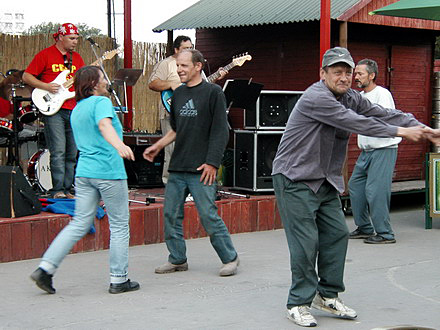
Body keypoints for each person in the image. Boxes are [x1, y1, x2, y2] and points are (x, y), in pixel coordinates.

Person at [271, 47, 437, 327]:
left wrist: (423, 127)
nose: (344, 77)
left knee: (336, 234)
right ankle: (298, 302)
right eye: (337, 71)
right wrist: (401, 132)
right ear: (323, 74)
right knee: (306, 242)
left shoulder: (350, 97)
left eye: (348, 72)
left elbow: (383, 113)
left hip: (324, 180)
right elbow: (355, 122)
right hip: (294, 179)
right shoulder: (317, 97)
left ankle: (327, 296)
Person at [30, 65, 139, 295]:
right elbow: (104, 125)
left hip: (84, 173)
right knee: (119, 225)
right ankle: (119, 279)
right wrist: (119, 145)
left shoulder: (78, 108)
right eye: (102, 78)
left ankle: (45, 268)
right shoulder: (101, 103)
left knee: (79, 223)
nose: (106, 81)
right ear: (93, 84)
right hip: (108, 171)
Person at [143, 49, 239, 277]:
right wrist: (158, 145)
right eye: (178, 65)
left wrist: (212, 163)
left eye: (184, 66)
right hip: (178, 166)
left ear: (198, 66)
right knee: (170, 214)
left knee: (207, 214)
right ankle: (177, 259)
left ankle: (230, 257)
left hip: (202, 168)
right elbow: (176, 129)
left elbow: (220, 131)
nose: (179, 70)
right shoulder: (177, 94)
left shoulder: (213, 92)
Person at [148, 35, 228, 185]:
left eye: (191, 47)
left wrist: (216, 77)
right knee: (171, 149)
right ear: (176, 49)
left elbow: (202, 85)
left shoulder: (195, 66)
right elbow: (152, 83)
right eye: (185, 48)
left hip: (194, 113)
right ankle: (168, 182)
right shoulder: (166, 64)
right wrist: (170, 83)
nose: (189, 50)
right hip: (170, 110)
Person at [23, 23, 85, 198]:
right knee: (58, 150)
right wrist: (46, 86)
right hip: (53, 109)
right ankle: (57, 190)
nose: (75, 42)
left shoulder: (77, 58)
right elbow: (26, 76)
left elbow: (80, 80)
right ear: (60, 37)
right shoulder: (45, 55)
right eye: (72, 38)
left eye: (77, 39)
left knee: (72, 151)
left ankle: (67, 188)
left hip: (73, 108)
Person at [349, 59, 400, 244]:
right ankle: (364, 227)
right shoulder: (360, 97)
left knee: (376, 191)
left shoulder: (382, 94)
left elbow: (385, 119)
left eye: (360, 74)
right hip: (367, 151)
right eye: (355, 73)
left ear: (372, 75)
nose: (356, 77)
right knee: (355, 187)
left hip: (383, 148)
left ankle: (385, 234)